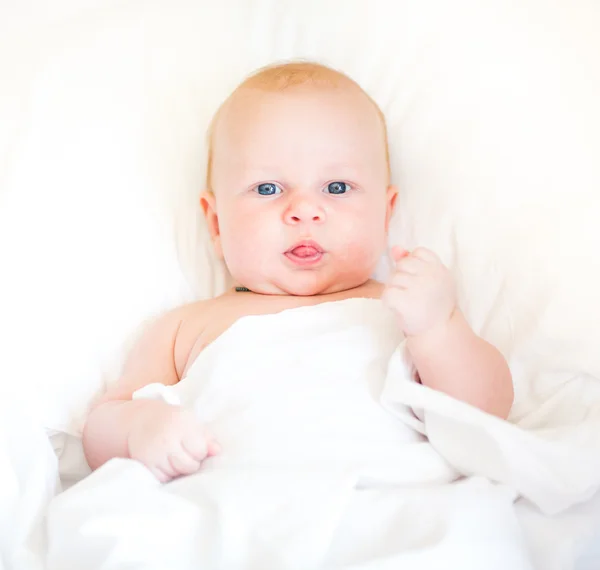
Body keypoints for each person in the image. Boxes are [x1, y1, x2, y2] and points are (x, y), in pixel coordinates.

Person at [82, 61, 513, 483]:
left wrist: (439, 329)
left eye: (337, 188)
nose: (305, 210)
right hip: (234, 504)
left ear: (386, 214)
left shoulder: (401, 311)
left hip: (386, 496)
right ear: (216, 224)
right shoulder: (185, 326)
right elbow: (103, 424)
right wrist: (140, 427)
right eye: (268, 189)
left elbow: (487, 413)